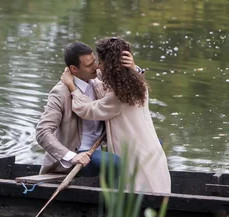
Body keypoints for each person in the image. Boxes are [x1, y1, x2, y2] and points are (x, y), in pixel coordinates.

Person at [60, 37, 171, 194]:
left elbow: (87, 110)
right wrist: (135, 68)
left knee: (136, 196)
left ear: (110, 66)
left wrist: (72, 86)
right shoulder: (138, 83)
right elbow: (102, 80)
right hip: (151, 151)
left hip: (135, 157)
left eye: (100, 62)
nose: (98, 67)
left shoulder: (118, 95)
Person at [35, 41, 139, 177]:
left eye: (95, 62)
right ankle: (112, 198)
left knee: (151, 146)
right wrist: (72, 156)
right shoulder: (60, 93)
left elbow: (127, 81)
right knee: (113, 163)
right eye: (89, 65)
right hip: (79, 154)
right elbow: (42, 132)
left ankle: (135, 190)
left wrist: (134, 68)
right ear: (73, 69)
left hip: (102, 146)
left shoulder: (98, 77)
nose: (96, 67)